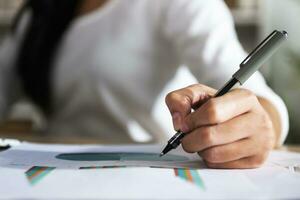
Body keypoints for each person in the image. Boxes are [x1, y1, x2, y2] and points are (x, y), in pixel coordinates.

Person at [0, 0, 289, 168]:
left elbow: (258, 98)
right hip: (49, 169)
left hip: (148, 169)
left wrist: (264, 124)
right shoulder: (38, 13)